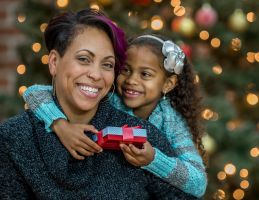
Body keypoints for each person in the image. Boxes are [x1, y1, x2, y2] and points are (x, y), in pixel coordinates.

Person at [0, 9, 198, 199]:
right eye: (84, 59)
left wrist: (154, 160)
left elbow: (192, 187)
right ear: (54, 62)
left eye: (107, 65)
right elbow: (34, 92)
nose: (96, 75)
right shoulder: (14, 138)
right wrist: (58, 124)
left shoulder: (144, 140)